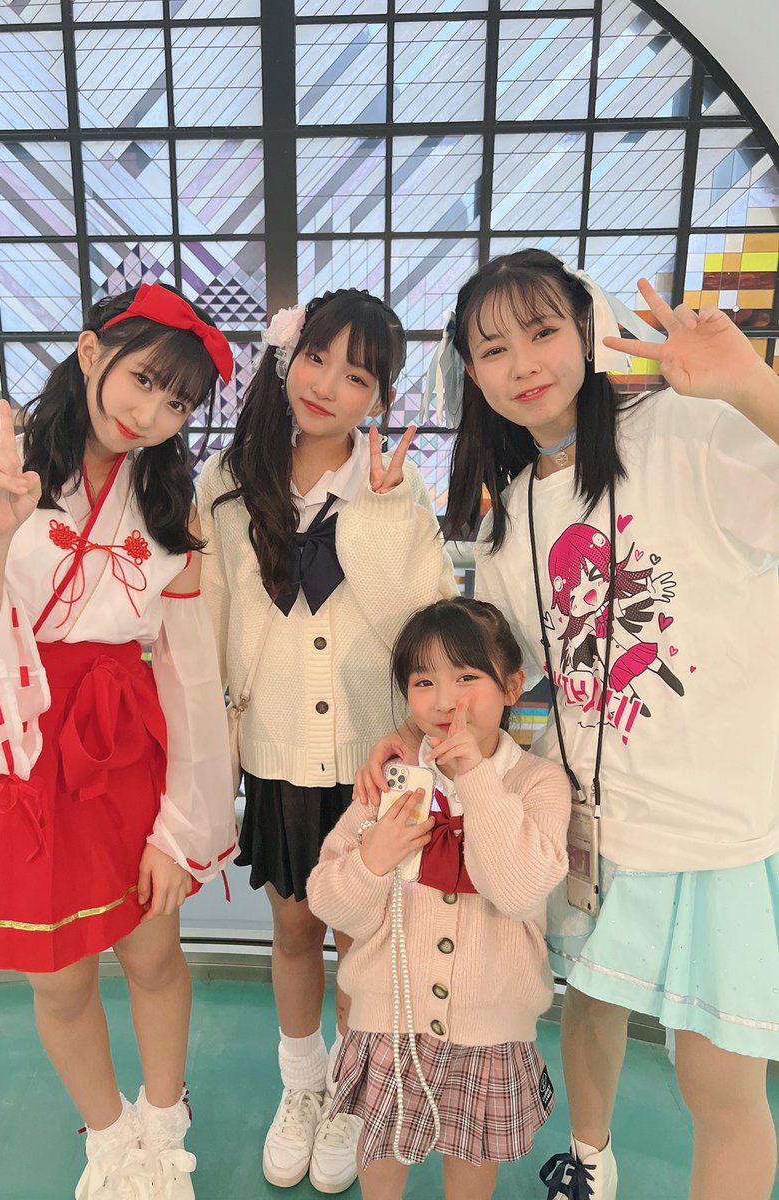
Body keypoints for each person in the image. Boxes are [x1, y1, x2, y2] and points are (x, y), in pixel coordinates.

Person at [355, 249, 779, 1200]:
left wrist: (752, 385)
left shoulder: (690, 430)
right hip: (588, 827)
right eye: (492, 349)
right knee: (588, 1011)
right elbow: (499, 670)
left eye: (543, 331)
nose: (523, 364)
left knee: (719, 1084)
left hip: (713, 827)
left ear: (588, 335)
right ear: (472, 374)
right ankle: (589, 1162)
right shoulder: (513, 515)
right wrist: (416, 736)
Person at [0, 282, 239, 1200]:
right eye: (143, 381)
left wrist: (182, 828)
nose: (153, 415)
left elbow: (188, 677)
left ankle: (164, 1128)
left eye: (179, 403)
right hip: (14, 747)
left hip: (122, 752)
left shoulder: (167, 504)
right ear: (91, 353)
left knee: (152, 955)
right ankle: (111, 1141)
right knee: (57, 977)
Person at [196, 288, 458, 1193]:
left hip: (371, 759)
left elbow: (421, 625)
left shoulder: (395, 485)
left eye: (357, 376)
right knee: (294, 925)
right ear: (287, 358)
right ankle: (302, 1085)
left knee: (364, 935)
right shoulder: (228, 481)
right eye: (316, 358)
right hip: (275, 752)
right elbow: (211, 618)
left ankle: (350, 1095)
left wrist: (381, 521)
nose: (327, 386)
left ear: (378, 397)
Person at [307, 597, 570, 1200]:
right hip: (386, 1020)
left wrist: (475, 777)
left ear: (512, 685)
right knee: (381, 1150)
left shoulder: (538, 784)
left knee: (472, 1159)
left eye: (467, 677)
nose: (445, 701)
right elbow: (328, 899)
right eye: (424, 682)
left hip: (490, 1026)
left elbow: (519, 889)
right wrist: (373, 858)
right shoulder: (393, 781)